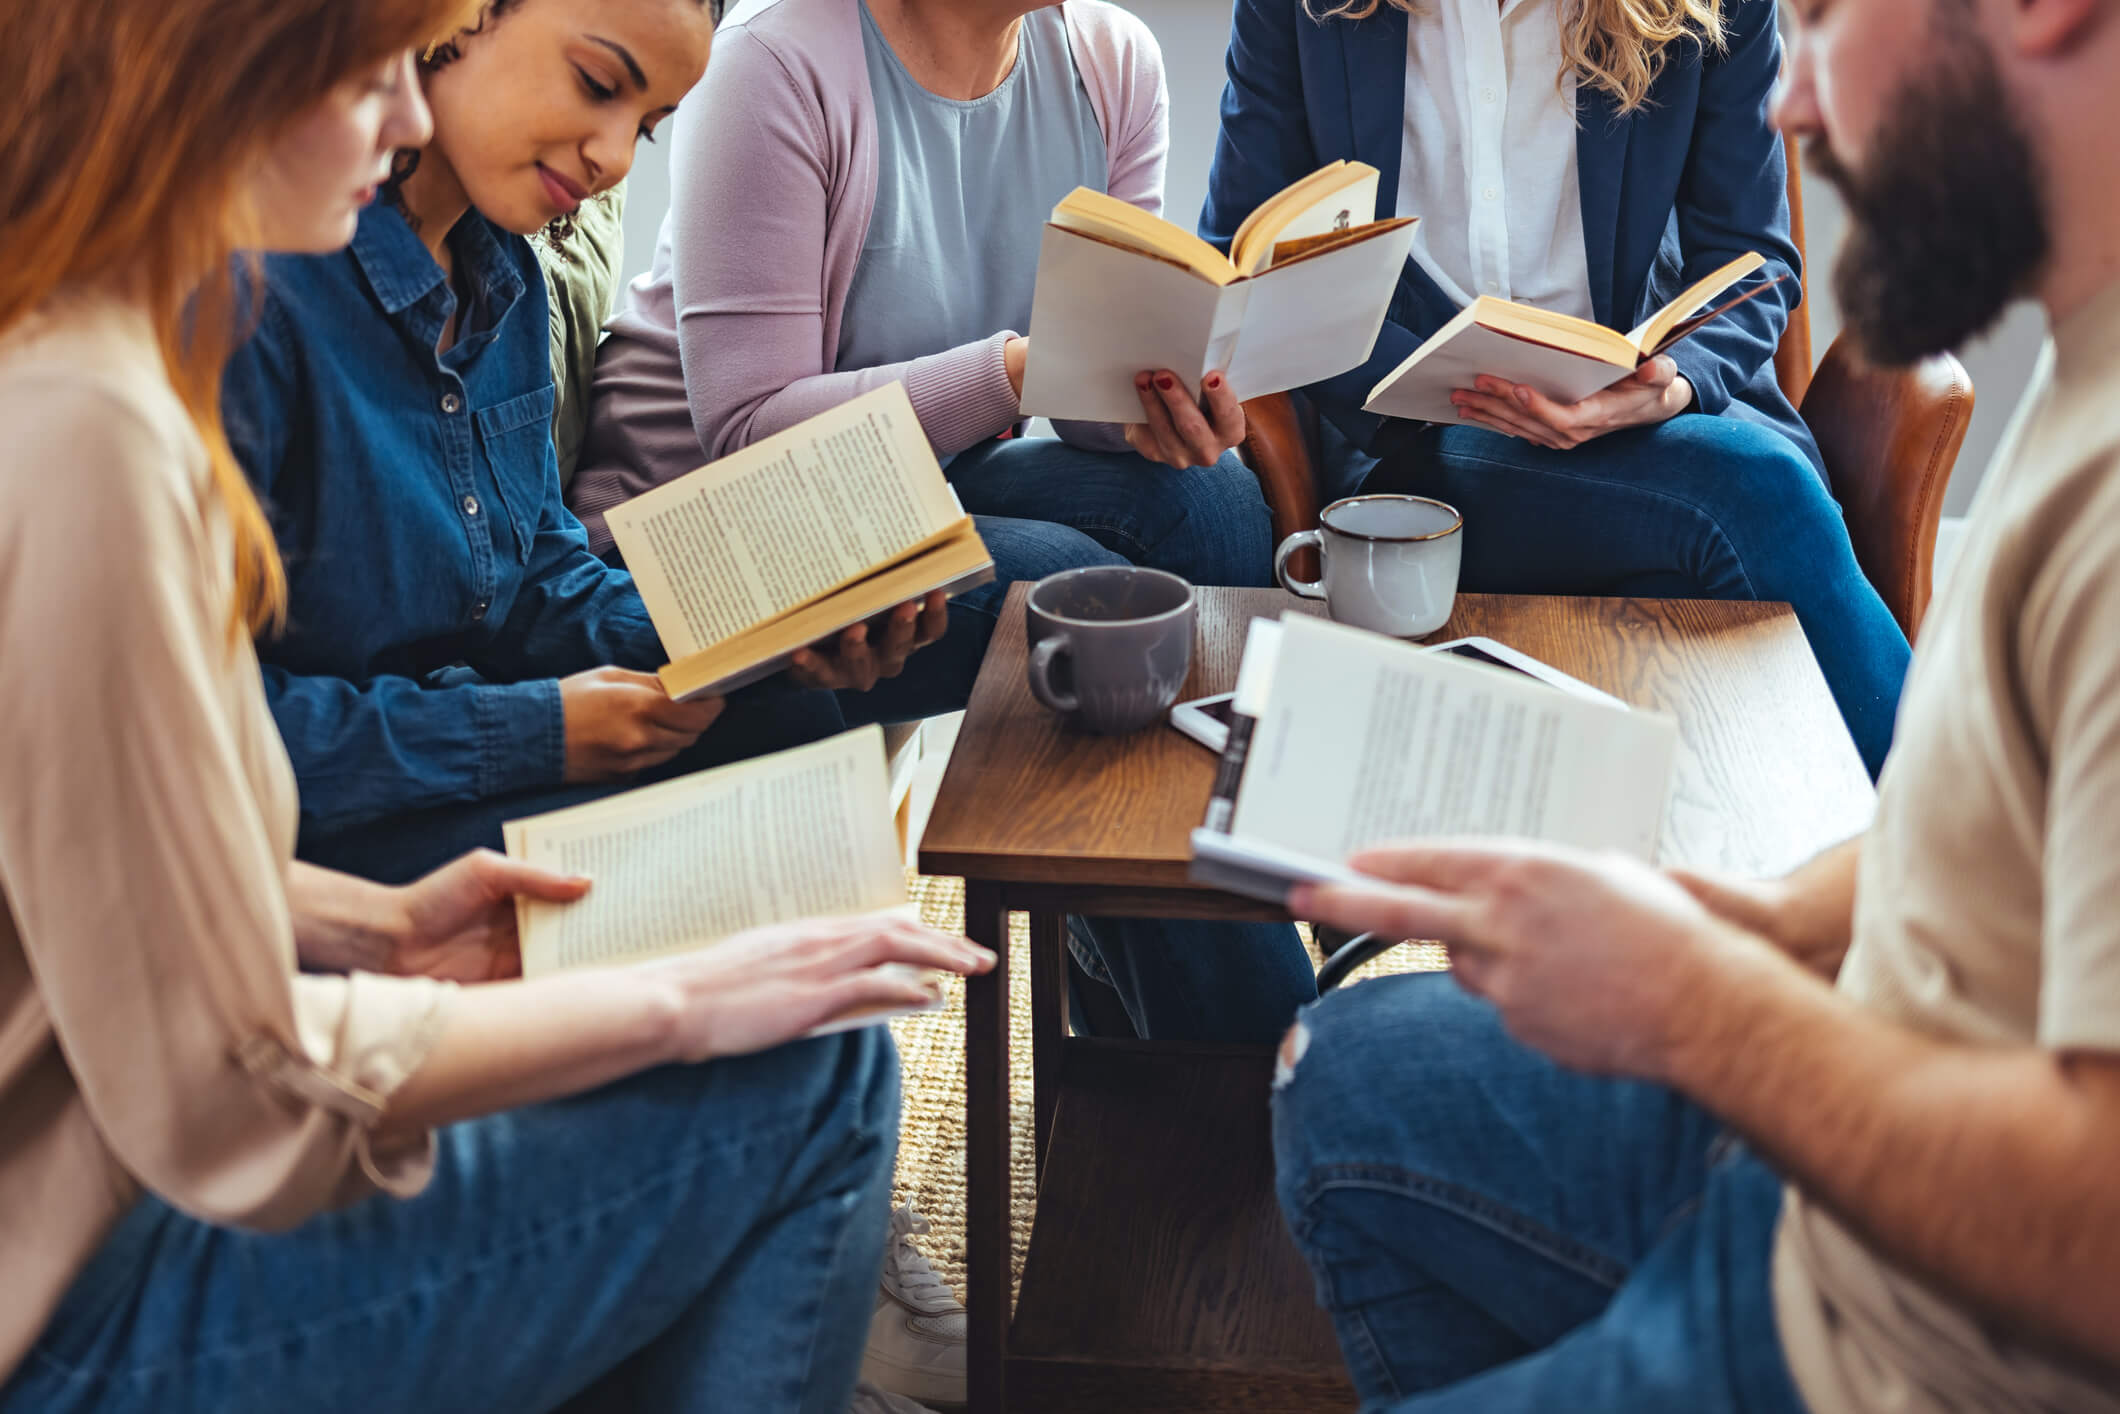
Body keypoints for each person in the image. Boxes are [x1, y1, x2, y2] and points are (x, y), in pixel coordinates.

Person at [0, 3, 993, 1411]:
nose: (403, 115)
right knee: (813, 1069)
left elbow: (111, 836)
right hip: (77, 1279)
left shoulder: (121, 345)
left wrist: (757, 632)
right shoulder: (130, 398)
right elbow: (236, 1088)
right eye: (374, 73)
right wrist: (668, 1002)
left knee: (819, 739)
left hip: (143, 1110)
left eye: (643, 125)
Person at [1265, 0, 2120, 1404]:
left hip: (1872, 1323)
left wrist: (1701, 1004)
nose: (1793, 108)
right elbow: (1995, 823)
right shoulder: (2083, 384)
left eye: (1830, 20)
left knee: (1753, 487)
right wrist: (1779, 921)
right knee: (1330, 1068)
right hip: (1818, 1168)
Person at [570, 0, 1321, 1050]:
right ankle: (1258, 1044)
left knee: (1210, 499)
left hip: (925, 481)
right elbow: (749, 432)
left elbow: (1088, 404)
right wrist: (1015, 367)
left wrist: (1155, 404)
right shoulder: (775, 61)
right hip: (709, 533)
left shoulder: (1110, 62)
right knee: (1063, 588)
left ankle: (1165, 954)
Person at [220, 0, 959, 890]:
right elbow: (204, 728)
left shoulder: (510, 285)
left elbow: (534, 582)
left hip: (470, 739)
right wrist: (542, 733)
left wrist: (770, 636)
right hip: (323, 830)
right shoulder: (261, 287)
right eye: (598, 84)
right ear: (462, 18)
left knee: (792, 730)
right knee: (751, 873)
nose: (611, 158)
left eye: (645, 129)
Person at [1202, 0, 1912, 779]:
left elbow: (1752, 260)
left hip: (1649, 433)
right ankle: (1959, 855)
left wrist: (1669, 385)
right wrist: (1417, 381)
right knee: (1758, 494)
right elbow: (1243, 256)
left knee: (1717, 540)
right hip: (1416, 453)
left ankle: (1849, 872)